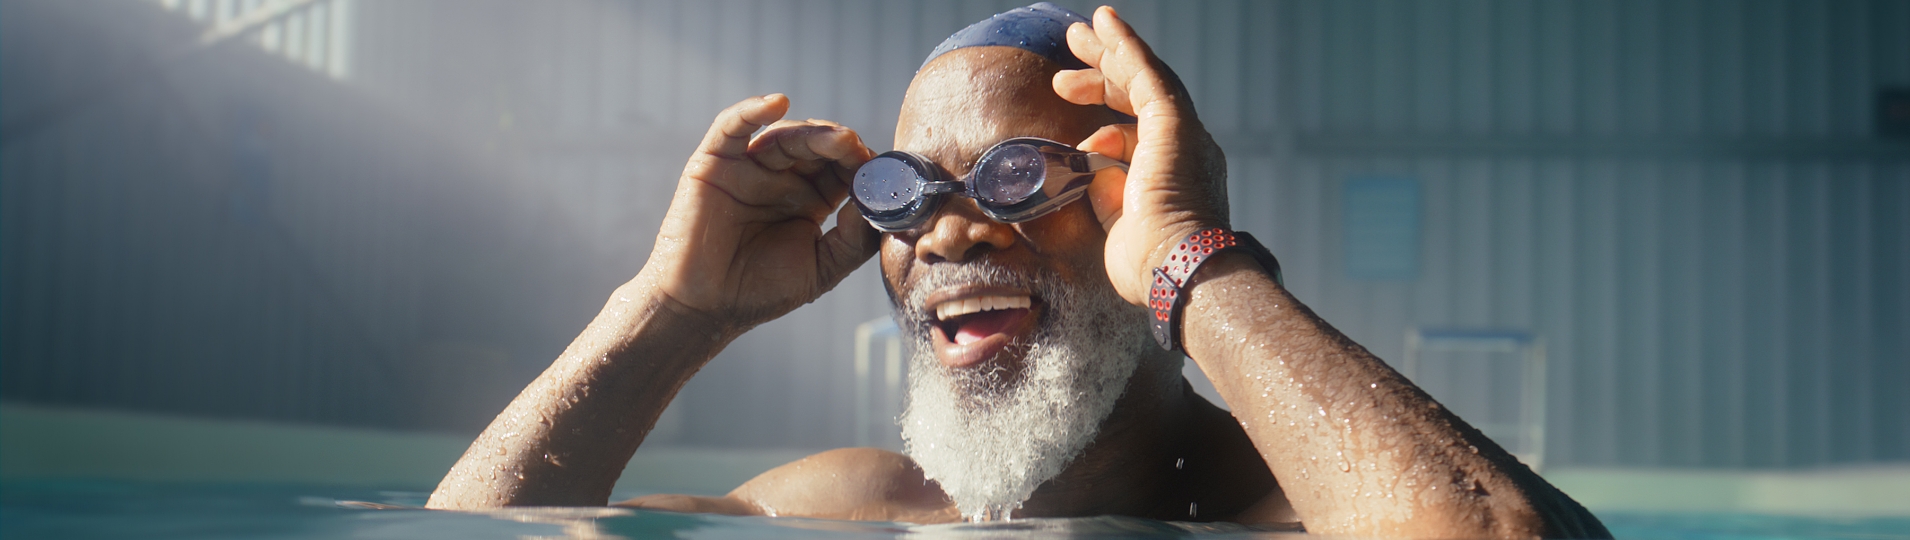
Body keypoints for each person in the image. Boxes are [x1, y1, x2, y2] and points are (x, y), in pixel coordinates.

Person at [424, 4, 1609, 538]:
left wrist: (1188, 259)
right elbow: (472, 538)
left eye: (1014, 178)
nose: (948, 235)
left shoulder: (1294, 510)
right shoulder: (851, 509)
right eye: (907, 193)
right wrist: (671, 312)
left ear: (1135, 194)